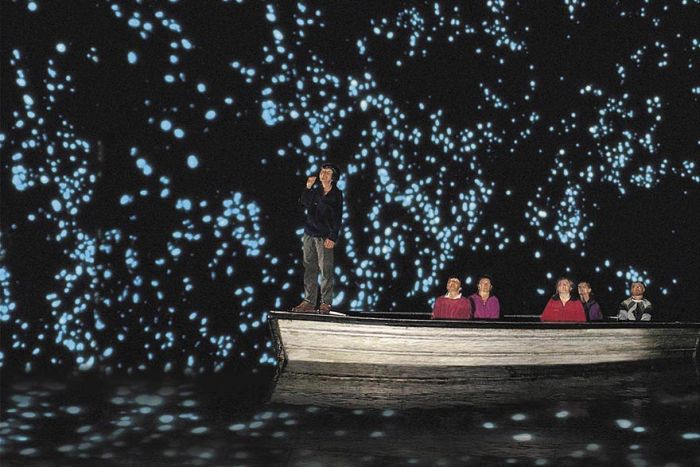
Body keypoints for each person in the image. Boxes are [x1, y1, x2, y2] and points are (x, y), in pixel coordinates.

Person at [292, 163, 343, 314]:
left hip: (324, 237)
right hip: (309, 234)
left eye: (327, 173)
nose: (323, 175)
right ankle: (309, 301)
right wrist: (307, 187)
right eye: (322, 172)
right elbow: (304, 202)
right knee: (309, 268)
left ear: (333, 178)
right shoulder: (315, 191)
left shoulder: (336, 195)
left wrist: (333, 237)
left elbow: (338, 218)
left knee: (325, 270)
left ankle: (326, 302)